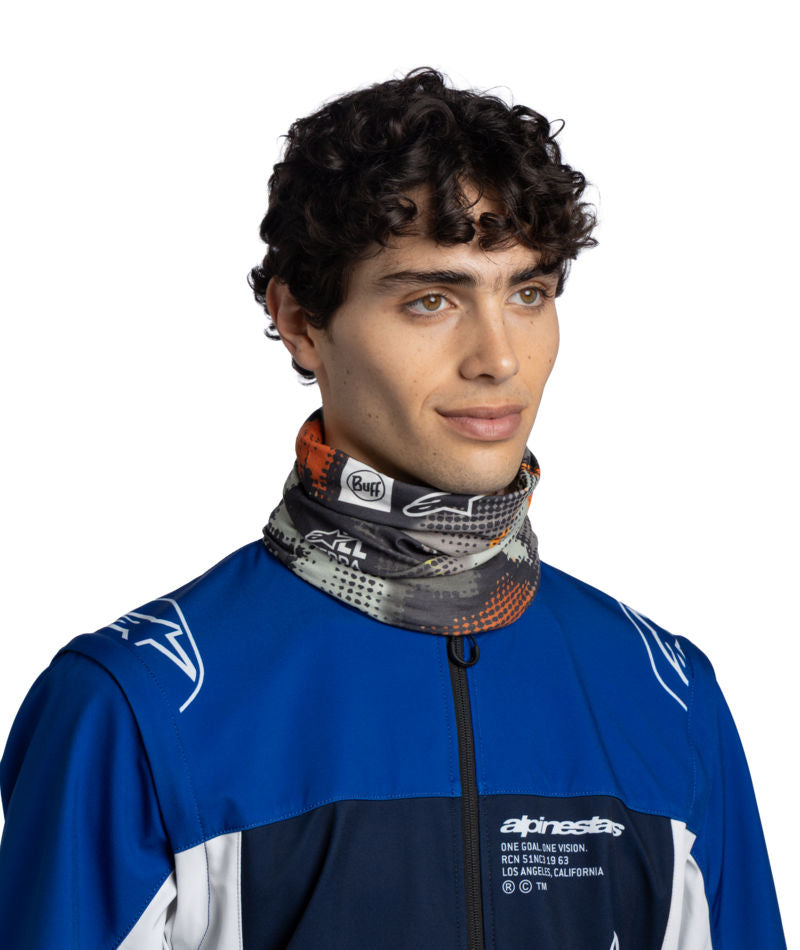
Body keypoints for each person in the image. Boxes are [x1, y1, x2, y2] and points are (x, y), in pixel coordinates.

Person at [0, 67, 785, 949]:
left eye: (528, 293)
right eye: (431, 300)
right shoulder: (136, 703)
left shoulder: (666, 693)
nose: (499, 359)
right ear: (301, 322)